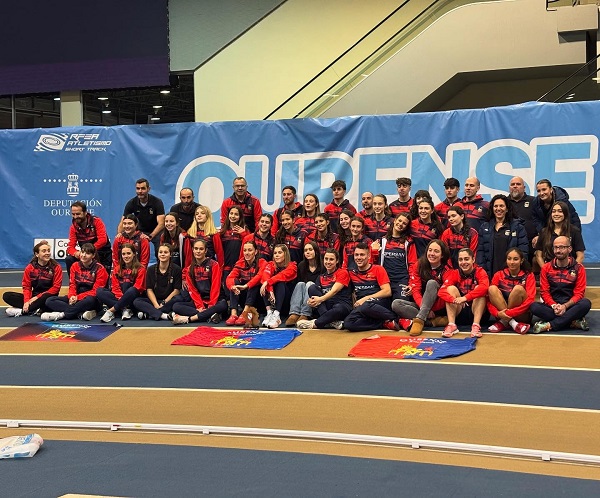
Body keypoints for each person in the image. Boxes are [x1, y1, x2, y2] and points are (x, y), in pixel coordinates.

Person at [530, 236, 591, 333]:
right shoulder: (546, 268)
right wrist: (554, 306)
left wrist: (565, 306)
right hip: (552, 306)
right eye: (556, 247)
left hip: (571, 305)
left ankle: (550, 325)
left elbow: (579, 293)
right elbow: (544, 292)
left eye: (562, 247)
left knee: (585, 303)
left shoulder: (579, 268)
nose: (558, 250)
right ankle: (572, 321)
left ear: (569, 249)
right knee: (534, 306)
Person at [391, 239, 452, 336]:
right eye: (430, 250)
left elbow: (444, 295)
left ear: (442, 255)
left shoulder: (447, 270)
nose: (432, 253)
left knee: (432, 283)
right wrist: (425, 309)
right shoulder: (419, 264)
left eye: (436, 251)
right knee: (396, 304)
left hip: (439, 306)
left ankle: (420, 321)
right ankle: (432, 322)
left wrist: (429, 310)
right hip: (423, 305)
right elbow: (415, 290)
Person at [42, 243, 109, 321]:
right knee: (49, 300)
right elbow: (72, 284)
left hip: (92, 300)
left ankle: (62, 315)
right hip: (76, 298)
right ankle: (79, 313)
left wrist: (78, 298)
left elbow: (95, 291)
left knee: (89, 300)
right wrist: (72, 296)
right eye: (82, 252)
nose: (83, 255)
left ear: (93, 256)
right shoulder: (75, 266)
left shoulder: (100, 268)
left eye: (87, 253)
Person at [343, 243, 397, 332]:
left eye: (362, 255)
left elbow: (387, 291)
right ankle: (383, 323)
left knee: (366, 305)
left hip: (379, 303)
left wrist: (366, 298)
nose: (359, 257)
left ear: (368, 256)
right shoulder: (351, 272)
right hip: (362, 307)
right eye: (356, 255)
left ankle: (394, 318)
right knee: (348, 323)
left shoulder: (378, 269)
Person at [172, 238, 228, 325]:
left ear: (205, 251)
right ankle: (210, 315)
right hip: (200, 301)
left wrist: (211, 306)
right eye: (196, 249)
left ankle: (189, 318)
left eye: (201, 249)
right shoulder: (189, 269)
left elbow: (215, 287)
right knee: (176, 306)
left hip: (215, 300)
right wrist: (200, 306)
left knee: (223, 305)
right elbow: (193, 291)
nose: (198, 251)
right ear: (193, 250)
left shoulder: (214, 265)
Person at [438, 247, 490, 338]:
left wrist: (465, 298)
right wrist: (454, 300)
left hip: (477, 310)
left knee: (479, 289)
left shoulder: (480, 271)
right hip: (460, 310)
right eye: (460, 260)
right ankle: (452, 325)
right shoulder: (455, 273)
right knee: (450, 289)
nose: (463, 262)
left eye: (466, 259)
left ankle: (476, 326)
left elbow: (485, 287)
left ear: (473, 259)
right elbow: (441, 291)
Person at [297, 248, 353, 330]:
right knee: (312, 287)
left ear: (337, 261)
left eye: (331, 259)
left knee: (338, 308)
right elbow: (316, 296)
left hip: (341, 304)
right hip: (327, 306)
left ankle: (315, 323)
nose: (328, 262)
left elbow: (334, 291)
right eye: (326, 259)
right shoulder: (320, 277)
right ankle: (331, 321)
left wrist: (319, 299)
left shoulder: (342, 272)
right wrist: (311, 302)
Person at [4, 241, 62, 317]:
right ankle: (35, 309)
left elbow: (56, 288)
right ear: (37, 254)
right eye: (44, 251)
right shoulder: (30, 268)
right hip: (33, 297)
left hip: (48, 297)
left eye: (48, 251)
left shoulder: (56, 267)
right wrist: (26, 301)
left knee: (48, 301)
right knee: (7, 296)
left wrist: (37, 298)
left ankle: (22, 311)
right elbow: (27, 287)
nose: (47, 253)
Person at [477, 194, 528, 278]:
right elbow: (481, 252)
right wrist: (483, 273)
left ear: (507, 209)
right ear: (492, 208)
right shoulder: (484, 227)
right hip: (490, 273)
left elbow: (523, 252)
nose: (498, 209)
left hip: (511, 274)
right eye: (495, 206)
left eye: (501, 206)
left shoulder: (518, 227)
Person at [487, 248, 535, 334]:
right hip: (501, 314)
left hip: (522, 315)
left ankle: (504, 322)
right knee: (491, 288)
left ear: (521, 260)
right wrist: (497, 313)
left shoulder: (529, 275)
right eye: (509, 259)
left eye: (515, 259)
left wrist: (509, 313)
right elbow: (488, 299)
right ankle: (513, 323)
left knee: (518, 289)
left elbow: (530, 300)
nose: (512, 262)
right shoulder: (498, 275)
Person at [372, 213, 416, 300]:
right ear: (395, 220)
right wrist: (374, 251)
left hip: (402, 280)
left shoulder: (409, 242)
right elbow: (373, 263)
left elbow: (412, 264)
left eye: (404, 223)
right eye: (399, 221)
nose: (400, 224)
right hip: (385, 281)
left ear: (406, 227)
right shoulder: (381, 241)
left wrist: (411, 283)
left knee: (399, 304)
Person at [98, 243, 147, 322]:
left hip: (134, 298)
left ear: (134, 254)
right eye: (123, 254)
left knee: (131, 289)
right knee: (100, 291)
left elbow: (139, 288)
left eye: (128, 253)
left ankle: (111, 311)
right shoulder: (117, 269)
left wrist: (125, 299)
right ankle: (125, 309)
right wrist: (122, 299)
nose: (126, 256)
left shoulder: (141, 269)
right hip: (120, 298)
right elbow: (115, 288)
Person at [133, 243, 182, 321]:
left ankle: (150, 313)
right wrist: (156, 304)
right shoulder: (151, 269)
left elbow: (176, 290)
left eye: (165, 252)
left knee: (178, 300)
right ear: (157, 254)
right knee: (137, 301)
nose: (162, 254)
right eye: (160, 252)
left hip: (168, 301)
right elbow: (149, 289)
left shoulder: (177, 269)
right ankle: (162, 315)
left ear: (170, 254)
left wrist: (164, 302)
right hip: (154, 300)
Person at [119, 178, 165, 256]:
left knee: (160, 250)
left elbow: (161, 223)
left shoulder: (157, 202)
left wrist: (150, 236)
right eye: (138, 188)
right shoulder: (131, 203)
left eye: (143, 188)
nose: (140, 191)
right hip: (140, 231)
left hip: (156, 231)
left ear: (148, 189)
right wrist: (119, 237)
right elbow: (123, 222)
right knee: (133, 250)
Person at [225, 240, 267, 326]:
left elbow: (259, 276)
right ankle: (234, 314)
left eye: (250, 250)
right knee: (234, 283)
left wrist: (246, 286)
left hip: (258, 299)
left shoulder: (262, 262)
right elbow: (229, 277)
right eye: (245, 250)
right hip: (246, 298)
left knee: (253, 283)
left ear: (255, 252)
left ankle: (245, 312)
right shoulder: (240, 263)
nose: (247, 253)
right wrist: (232, 286)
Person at [66, 201, 112, 276]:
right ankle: (73, 283)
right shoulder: (73, 228)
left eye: (78, 214)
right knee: (69, 259)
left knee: (104, 284)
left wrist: (89, 251)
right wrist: (76, 253)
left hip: (102, 253)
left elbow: (103, 240)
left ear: (85, 213)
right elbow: (70, 246)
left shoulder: (97, 222)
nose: (75, 217)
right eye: (73, 214)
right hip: (86, 255)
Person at [535, 201, 585, 268]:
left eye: (560, 211)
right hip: (550, 272)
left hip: (569, 271)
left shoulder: (574, 231)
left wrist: (572, 270)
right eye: (554, 211)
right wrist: (546, 270)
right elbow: (538, 255)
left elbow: (580, 256)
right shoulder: (544, 232)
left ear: (565, 214)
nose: (556, 214)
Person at [260, 244, 298, 328]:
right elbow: (265, 277)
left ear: (285, 254)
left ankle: (276, 315)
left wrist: (268, 283)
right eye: (275, 253)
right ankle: (269, 313)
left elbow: (281, 276)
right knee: (263, 284)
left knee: (280, 283)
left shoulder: (292, 266)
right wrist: (270, 289)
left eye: (280, 252)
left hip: (287, 302)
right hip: (272, 299)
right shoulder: (270, 265)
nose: (276, 255)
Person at [286, 241, 322, 326]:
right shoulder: (301, 265)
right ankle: (294, 313)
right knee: (300, 284)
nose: (308, 252)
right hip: (304, 298)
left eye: (310, 250)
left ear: (316, 252)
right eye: (306, 250)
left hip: (317, 297)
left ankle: (305, 314)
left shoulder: (322, 265)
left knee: (310, 284)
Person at [216, 205, 250, 286]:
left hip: (240, 267)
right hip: (226, 267)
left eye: (236, 214)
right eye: (231, 213)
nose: (233, 216)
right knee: (227, 290)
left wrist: (244, 234)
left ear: (240, 217)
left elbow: (250, 245)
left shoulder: (245, 230)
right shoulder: (222, 231)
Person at [508, 176, 536, 260]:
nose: (515, 186)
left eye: (518, 184)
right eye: (513, 184)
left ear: (524, 188)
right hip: (509, 245)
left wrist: (539, 235)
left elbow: (541, 220)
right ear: (509, 188)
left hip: (530, 245)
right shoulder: (504, 203)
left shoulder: (533, 201)